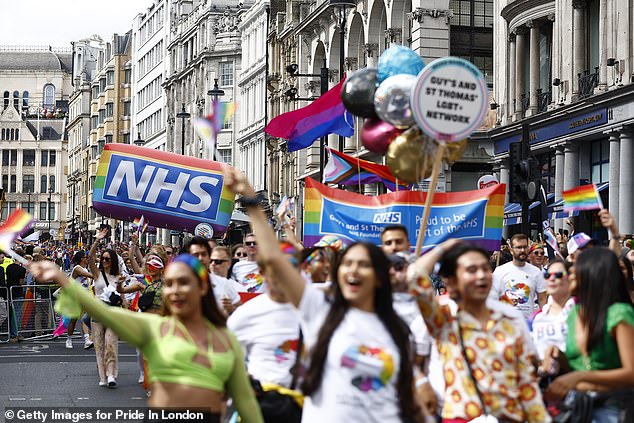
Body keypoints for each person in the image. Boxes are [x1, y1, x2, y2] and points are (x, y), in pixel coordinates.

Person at [222, 165, 423, 422]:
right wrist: (250, 199)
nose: (354, 270)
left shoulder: (398, 327)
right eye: (348, 264)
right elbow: (275, 258)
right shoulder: (322, 310)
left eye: (364, 265)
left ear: (380, 278)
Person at [30, 255, 263, 423]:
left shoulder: (224, 336)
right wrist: (60, 277)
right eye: (170, 285)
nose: (175, 291)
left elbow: (245, 401)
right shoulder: (155, 326)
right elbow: (102, 312)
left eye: (184, 283)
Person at [409, 239, 549, 422]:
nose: (481, 275)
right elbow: (413, 278)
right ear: (451, 280)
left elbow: (526, 381)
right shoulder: (444, 318)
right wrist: (444, 247)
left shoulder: (510, 319)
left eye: (485, 268)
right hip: (461, 417)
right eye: (471, 270)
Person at [542, 247, 634, 421]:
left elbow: (631, 373)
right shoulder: (574, 313)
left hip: (614, 409)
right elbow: (580, 366)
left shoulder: (619, 313)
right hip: (578, 408)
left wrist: (580, 377)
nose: (571, 272)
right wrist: (558, 356)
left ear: (594, 271)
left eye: (578, 266)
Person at [87, 228, 125, 387]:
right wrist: (97, 240)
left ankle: (111, 375)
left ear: (113, 261)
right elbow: (90, 257)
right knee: (99, 346)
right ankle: (102, 376)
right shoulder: (97, 274)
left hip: (112, 313)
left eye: (108, 259)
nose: (104, 261)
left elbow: (122, 294)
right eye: (103, 259)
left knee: (111, 343)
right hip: (97, 313)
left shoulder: (118, 277)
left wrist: (125, 303)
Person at [490, 233, 547, 321]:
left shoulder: (536, 272)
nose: (522, 250)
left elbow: (542, 300)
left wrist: (545, 320)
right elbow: (492, 298)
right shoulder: (500, 271)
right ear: (511, 250)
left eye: (525, 247)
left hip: (528, 324)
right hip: (506, 323)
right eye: (519, 247)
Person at [531, 260, 574, 362]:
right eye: (547, 275)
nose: (552, 278)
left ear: (571, 279)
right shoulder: (537, 317)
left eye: (558, 275)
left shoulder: (581, 312)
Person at [187, 237, 240, 315]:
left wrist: (232, 309)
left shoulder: (223, 283)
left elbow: (241, 310)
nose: (200, 258)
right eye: (196, 255)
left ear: (209, 257)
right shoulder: (180, 283)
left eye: (204, 254)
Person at [66, 251, 94, 350]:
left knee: (84, 318)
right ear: (82, 259)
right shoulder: (77, 268)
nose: (87, 259)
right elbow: (88, 275)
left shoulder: (85, 268)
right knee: (73, 320)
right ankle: (69, 339)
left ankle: (87, 340)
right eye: (86, 257)